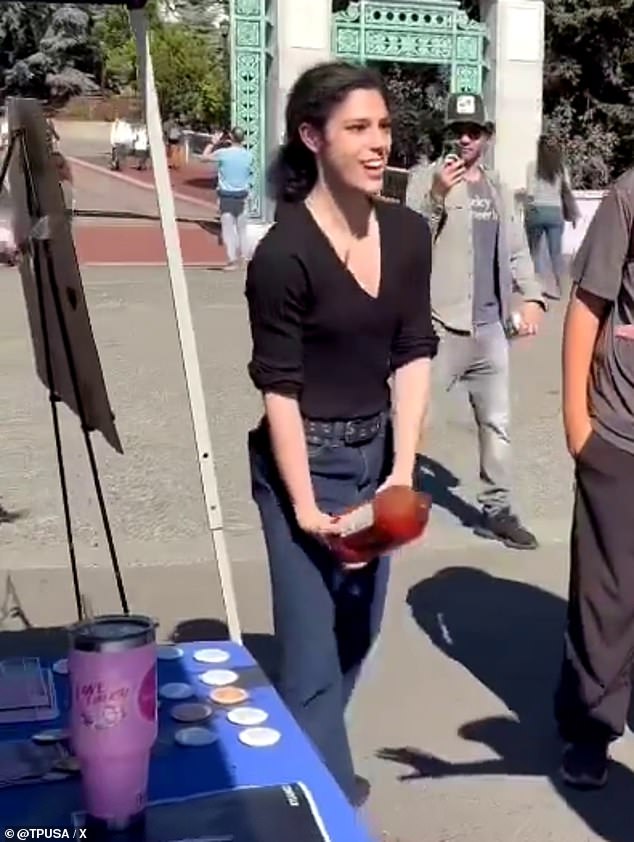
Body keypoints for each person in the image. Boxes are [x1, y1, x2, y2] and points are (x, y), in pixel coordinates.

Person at [245, 61, 437, 806]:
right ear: (311, 137)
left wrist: (404, 468)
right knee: (311, 662)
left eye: (384, 126)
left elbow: (415, 348)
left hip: (376, 459)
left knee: (357, 636)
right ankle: (324, 804)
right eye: (358, 127)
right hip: (303, 463)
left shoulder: (410, 232)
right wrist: (301, 507)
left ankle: (316, 760)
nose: (378, 141)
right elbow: (279, 389)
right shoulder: (283, 254)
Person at [406, 93, 545, 550]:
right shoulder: (425, 179)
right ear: (446, 134)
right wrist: (436, 197)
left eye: (474, 131)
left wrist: (532, 298)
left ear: (486, 136)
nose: (465, 139)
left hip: (490, 332)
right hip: (439, 326)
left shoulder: (499, 189)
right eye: (457, 131)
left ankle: (498, 512)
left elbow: (517, 251)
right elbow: (408, 244)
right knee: (411, 417)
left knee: (497, 426)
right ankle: (390, 501)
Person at [555, 170, 634, 789]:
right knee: (606, 597)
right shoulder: (631, 194)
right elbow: (587, 306)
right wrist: (578, 423)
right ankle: (590, 726)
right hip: (621, 432)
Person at [524, 135, 578, 299]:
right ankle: (561, 290)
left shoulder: (533, 167)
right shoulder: (561, 168)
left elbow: (531, 193)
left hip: (537, 212)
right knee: (556, 253)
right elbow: (567, 190)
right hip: (556, 213)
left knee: (531, 251)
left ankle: (533, 288)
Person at [202, 127, 252, 270]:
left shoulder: (223, 153)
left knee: (228, 229)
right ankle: (245, 257)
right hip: (242, 195)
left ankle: (232, 260)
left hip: (227, 196)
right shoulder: (248, 155)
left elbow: (204, 157)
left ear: (230, 137)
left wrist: (212, 143)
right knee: (242, 229)